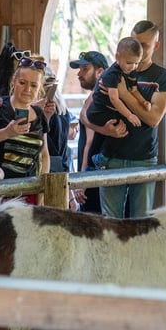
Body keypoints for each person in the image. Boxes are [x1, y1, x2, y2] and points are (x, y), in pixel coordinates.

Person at [84, 20, 166, 219]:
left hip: (143, 158)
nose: (137, 49)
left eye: (144, 45)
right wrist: (105, 130)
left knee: (141, 222)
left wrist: (125, 95)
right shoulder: (114, 71)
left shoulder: (164, 77)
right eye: (134, 42)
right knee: (110, 222)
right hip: (112, 155)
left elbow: (153, 118)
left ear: (156, 46)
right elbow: (86, 114)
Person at [0, 53, 51, 200]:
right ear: (13, 82)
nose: (28, 89)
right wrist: (6, 133)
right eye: (22, 82)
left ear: (40, 88)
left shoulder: (39, 115)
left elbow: (45, 156)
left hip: (28, 192)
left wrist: (41, 193)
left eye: (34, 85)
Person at [69, 51, 111, 213]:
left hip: (92, 175)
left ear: (100, 71)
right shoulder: (100, 98)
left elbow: (90, 142)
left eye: (85, 69)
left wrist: (82, 180)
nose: (79, 74)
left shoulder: (95, 100)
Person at [85, 37, 149, 129]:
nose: (132, 67)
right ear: (117, 57)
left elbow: (134, 90)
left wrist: (143, 101)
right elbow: (114, 99)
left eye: (136, 63)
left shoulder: (131, 71)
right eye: (129, 63)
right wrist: (129, 115)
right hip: (99, 111)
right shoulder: (112, 74)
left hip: (114, 109)